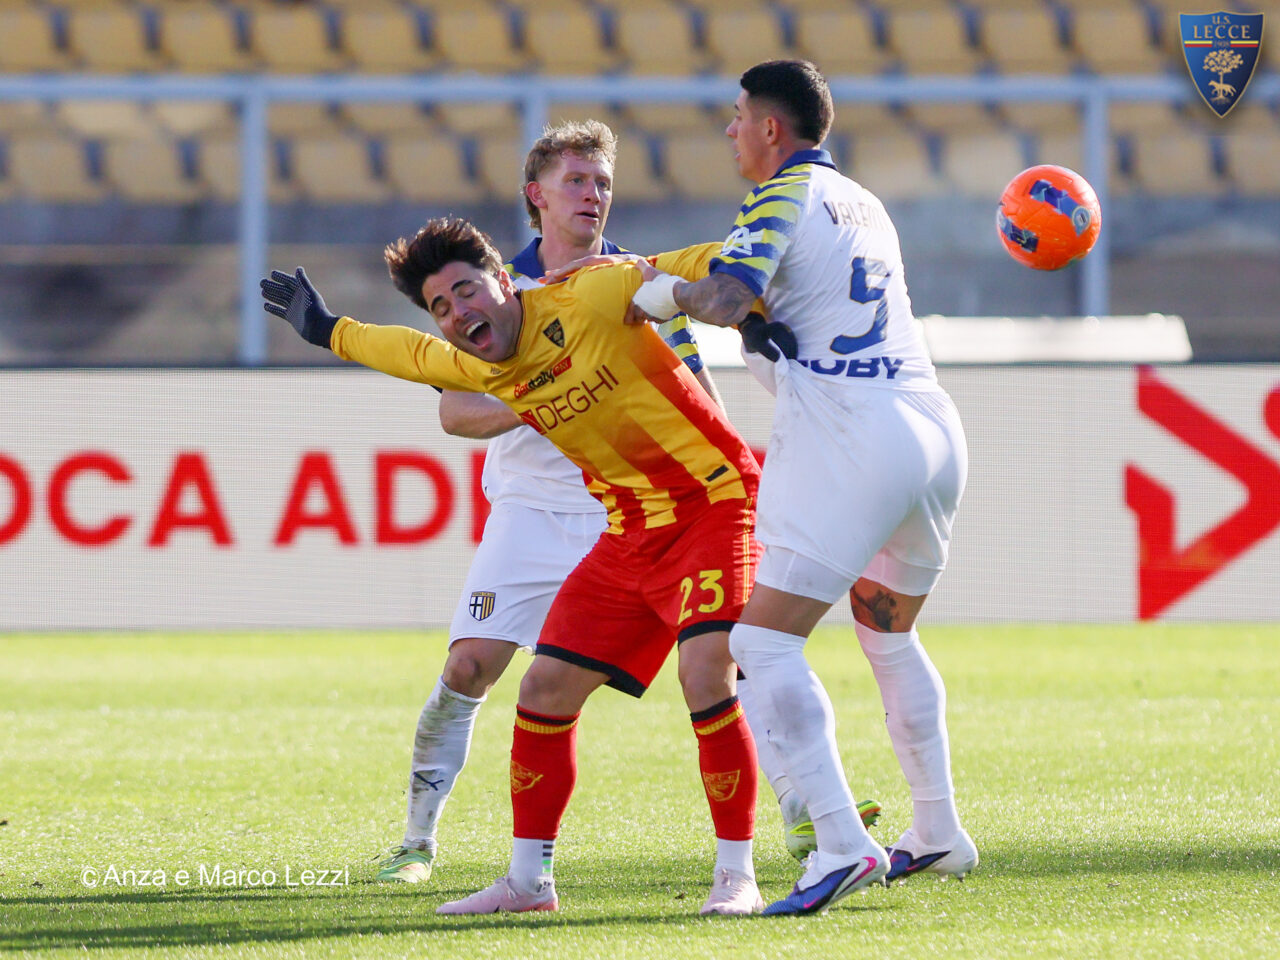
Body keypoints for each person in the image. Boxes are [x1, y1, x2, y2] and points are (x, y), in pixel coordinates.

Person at [367, 120, 864, 887]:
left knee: (726, 658)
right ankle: (417, 839)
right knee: (469, 666)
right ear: (535, 196)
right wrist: (545, 391)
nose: (592, 195)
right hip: (534, 511)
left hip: (645, 510)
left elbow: (691, 381)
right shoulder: (491, 287)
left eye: (602, 182)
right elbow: (455, 412)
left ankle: (805, 813)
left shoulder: (628, 280)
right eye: (575, 181)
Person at [262, 220, 770, 915]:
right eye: (441, 306)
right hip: (632, 527)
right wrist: (327, 331)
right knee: (544, 687)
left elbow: (677, 273)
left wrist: (746, 276)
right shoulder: (476, 363)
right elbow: (404, 351)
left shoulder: (589, 293)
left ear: (505, 280)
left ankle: (737, 876)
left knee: (706, 672)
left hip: (713, 503)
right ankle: (529, 884)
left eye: (466, 290)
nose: (458, 312)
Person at [627, 59, 977, 916]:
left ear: (771, 129)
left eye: (737, 116)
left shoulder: (779, 195)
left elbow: (723, 297)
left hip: (852, 434)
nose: (729, 130)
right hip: (929, 423)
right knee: (888, 634)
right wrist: (758, 329)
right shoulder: (864, 202)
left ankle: (841, 844)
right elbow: (796, 317)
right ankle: (938, 829)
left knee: (762, 644)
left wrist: (658, 294)